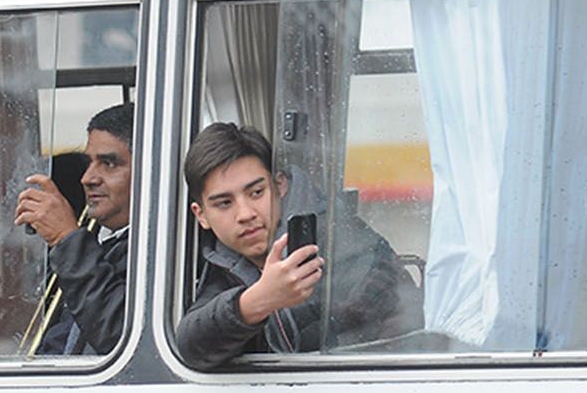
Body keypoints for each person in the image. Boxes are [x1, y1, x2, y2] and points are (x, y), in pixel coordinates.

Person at [176, 122, 421, 368]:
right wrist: (259, 300)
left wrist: (346, 317)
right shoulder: (209, 264)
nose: (245, 214)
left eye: (257, 192)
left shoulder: (339, 237)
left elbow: (404, 325)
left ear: (280, 185)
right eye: (224, 203)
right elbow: (190, 346)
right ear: (201, 216)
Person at [14, 103, 134, 355]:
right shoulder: (97, 240)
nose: (88, 178)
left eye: (109, 163)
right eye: (89, 162)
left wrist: (66, 238)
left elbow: (120, 337)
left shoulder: (165, 251)